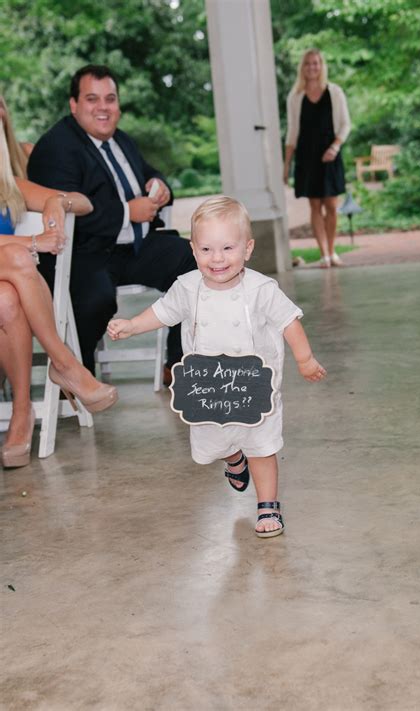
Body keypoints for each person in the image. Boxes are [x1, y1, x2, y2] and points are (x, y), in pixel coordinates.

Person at [107, 196, 327, 538]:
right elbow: (163, 312)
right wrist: (133, 325)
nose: (217, 258)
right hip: (207, 388)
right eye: (206, 249)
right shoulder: (187, 287)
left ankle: (267, 504)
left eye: (227, 247)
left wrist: (305, 358)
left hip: (255, 387)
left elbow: (288, 322)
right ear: (193, 250)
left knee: (262, 445)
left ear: (248, 248)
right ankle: (233, 459)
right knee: (216, 443)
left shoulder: (261, 289)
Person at [27, 64, 196, 380]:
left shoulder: (121, 140)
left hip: (134, 246)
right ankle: (77, 374)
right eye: (92, 99)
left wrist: (160, 185)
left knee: (197, 261)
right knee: (97, 298)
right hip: (82, 253)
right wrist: (126, 213)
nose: (103, 107)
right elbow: (63, 210)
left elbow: (148, 172)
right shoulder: (56, 147)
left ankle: (177, 362)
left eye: (110, 99)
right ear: (74, 105)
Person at [0, 117, 118, 469]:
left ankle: (23, 410)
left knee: (6, 299)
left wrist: (59, 202)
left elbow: (85, 203)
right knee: (20, 258)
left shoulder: (9, 187)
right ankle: (64, 363)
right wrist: (32, 241)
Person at [284, 49, 351, 268]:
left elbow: (345, 124)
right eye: (308, 64)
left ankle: (332, 252)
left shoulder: (335, 92)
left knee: (331, 205)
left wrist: (336, 146)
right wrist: (287, 165)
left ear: (321, 66)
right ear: (302, 68)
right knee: (314, 205)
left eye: (316, 63)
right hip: (307, 156)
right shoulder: (295, 97)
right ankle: (323, 255)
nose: (312, 67)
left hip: (330, 154)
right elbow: (292, 132)